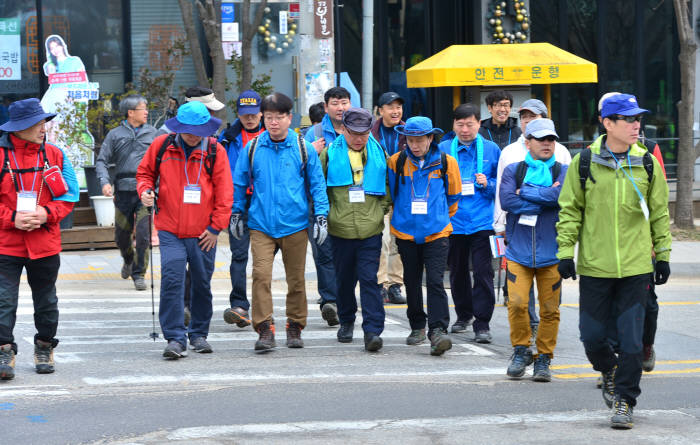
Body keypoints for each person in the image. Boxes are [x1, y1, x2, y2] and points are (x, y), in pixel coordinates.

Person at [556, 93, 671, 429]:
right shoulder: (585, 162)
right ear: (607, 123)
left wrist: (662, 256)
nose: (637, 125)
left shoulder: (647, 162)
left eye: (638, 118)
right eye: (629, 119)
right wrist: (565, 252)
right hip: (595, 267)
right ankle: (608, 369)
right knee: (592, 337)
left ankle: (624, 401)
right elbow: (570, 211)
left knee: (633, 343)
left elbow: (660, 213)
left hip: (637, 268)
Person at [230, 92, 329, 351]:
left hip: (295, 225)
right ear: (263, 117)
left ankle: (295, 325)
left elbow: (317, 185)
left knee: (296, 279)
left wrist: (321, 215)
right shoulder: (252, 148)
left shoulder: (302, 148)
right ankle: (264, 328)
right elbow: (239, 183)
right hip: (261, 224)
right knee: (260, 275)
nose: (274, 123)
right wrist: (237, 212)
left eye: (279, 117)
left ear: (289, 118)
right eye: (270, 117)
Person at [136, 101, 233, 359]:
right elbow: (144, 173)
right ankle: (175, 338)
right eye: (187, 129)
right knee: (172, 280)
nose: (191, 135)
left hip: (204, 232)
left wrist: (215, 228)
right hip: (169, 229)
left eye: (197, 130)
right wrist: (145, 191)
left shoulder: (215, 150)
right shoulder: (162, 145)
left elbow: (225, 194)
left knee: (201, 283)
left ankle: (199, 334)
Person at [0, 98, 79, 379]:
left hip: (44, 243)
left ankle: (45, 346)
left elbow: (70, 194)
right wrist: (12, 218)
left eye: (44, 122)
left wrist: (47, 213)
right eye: (37, 123)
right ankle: (3, 350)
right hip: (6, 244)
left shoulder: (55, 155)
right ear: (19, 128)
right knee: (3, 300)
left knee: (46, 301)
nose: (43, 127)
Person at [494, 99, 572, 345]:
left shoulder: (563, 170)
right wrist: (546, 198)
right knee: (517, 305)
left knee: (550, 310)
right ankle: (520, 350)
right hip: (518, 249)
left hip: (552, 251)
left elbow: (560, 197)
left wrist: (524, 192)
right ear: (528, 142)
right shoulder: (513, 170)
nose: (547, 143)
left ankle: (544, 357)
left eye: (551, 139)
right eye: (541, 139)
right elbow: (508, 202)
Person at [388, 116, 461, 356]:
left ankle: (438, 330)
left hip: (437, 232)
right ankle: (417, 326)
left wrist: (438, 217)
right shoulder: (395, 162)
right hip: (405, 232)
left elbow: (453, 197)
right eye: (410, 139)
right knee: (411, 280)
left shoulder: (446, 162)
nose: (415, 144)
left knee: (435, 281)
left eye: (420, 139)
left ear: (431, 138)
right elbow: (391, 195)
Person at [319, 108, 392, 351]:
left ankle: (372, 331)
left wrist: (379, 212)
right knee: (344, 280)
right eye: (353, 133)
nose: (359, 138)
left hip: (370, 229)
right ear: (343, 130)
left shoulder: (378, 152)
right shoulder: (329, 154)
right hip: (340, 230)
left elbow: (387, 188)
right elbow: (320, 190)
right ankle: (347, 320)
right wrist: (328, 216)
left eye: (363, 133)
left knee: (370, 280)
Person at [438, 104, 501, 343]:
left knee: (484, 272)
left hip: (483, 220)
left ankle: (482, 323)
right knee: (457, 271)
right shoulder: (443, 149)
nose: (465, 130)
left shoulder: (492, 149)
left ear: (479, 124)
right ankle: (463, 315)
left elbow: (502, 184)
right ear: (453, 125)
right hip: (453, 220)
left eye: (470, 124)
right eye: (460, 125)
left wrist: (489, 183)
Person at [96, 95, 158, 291]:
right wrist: (104, 182)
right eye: (143, 108)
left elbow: (162, 160)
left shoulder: (153, 133)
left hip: (145, 192)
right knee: (121, 235)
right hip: (122, 191)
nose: (146, 112)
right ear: (131, 112)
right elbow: (101, 161)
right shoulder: (115, 134)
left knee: (143, 234)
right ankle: (128, 259)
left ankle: (139, 274)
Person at [217, 90, 265, 328]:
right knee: (239, 255)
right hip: (238, 206)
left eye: (254, 114)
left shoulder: (273, 134)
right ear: (238, 114)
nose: (249, 119)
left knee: (264, 259)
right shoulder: (227, 139)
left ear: (261, 113)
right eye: (245, 114)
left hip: (267, 206)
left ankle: (262, 306)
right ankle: (240, 305)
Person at [370, 91, 407, 305]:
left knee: (398, 242)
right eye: (390, 107)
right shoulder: (371, 133)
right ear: (380, 110)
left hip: (403, 196)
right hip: (380, 195)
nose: (395, 111)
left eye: (398, 107)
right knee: (381, 241)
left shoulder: (407, 131)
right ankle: (381, 284)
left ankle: (395, 285)